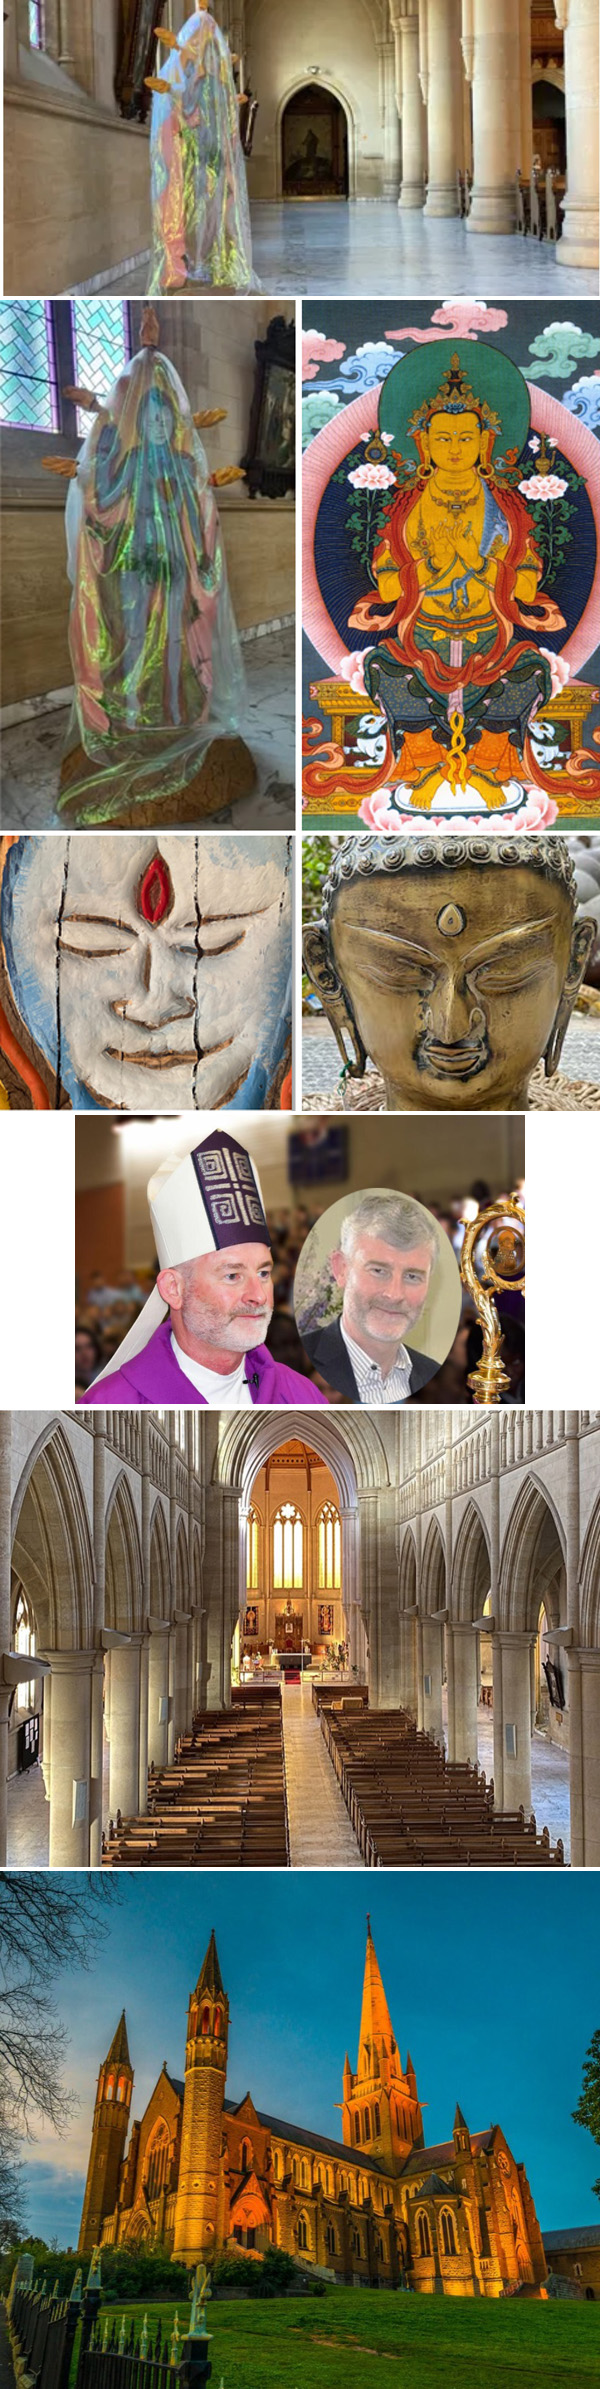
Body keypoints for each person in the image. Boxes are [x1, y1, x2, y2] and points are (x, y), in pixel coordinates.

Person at [55, 333, 247, 826]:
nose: (159, 424)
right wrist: (89, 460)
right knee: (137, 633)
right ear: (140, 422)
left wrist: (208, 493)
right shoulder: (130, 463)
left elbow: (200, 512)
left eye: (166, 418)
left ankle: (177, 708)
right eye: (151, 418)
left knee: (179, 639)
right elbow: (107, 502)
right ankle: (135, 707)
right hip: (139, 566)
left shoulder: (184, 464)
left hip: (177, 567)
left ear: (174, 423)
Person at [82, 1128, 328, 1409]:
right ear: (174, 1289)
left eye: (263, 1273)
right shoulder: (110, 1402)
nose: (258, 1296)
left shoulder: (301, 1394)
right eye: (233, 1275)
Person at [298, 1193, 445, 1405]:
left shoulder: (429, 1377)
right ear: (341, 1269)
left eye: (412, 1276)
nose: (394, 1295)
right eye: (378, 1270)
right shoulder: (298, 1364)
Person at [147, 9, 256, 295]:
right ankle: (187, 266)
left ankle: (211, 264)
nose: (203, 59)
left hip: (214, 162)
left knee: (214, 216)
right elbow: (180, 116)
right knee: (187, 214)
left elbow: (226, 126)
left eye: (209, 51)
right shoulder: (188, 86)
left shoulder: (218, 87)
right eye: (199, 49)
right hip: (189, 162)